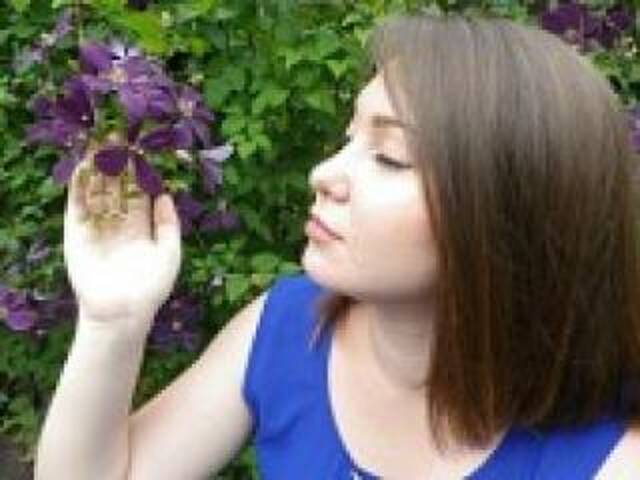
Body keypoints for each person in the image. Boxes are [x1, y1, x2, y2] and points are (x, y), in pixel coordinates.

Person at [34, 12, 640, 480]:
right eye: (349, 139)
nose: (323, 173)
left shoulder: (610, 458)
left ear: (512, 210)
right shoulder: (290, 328)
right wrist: (112, 321)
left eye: (389, 157)